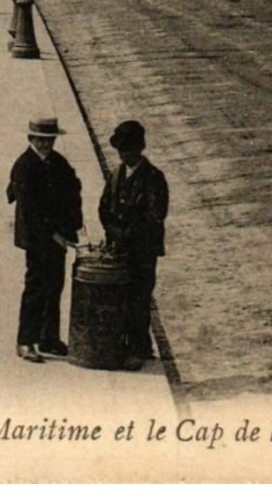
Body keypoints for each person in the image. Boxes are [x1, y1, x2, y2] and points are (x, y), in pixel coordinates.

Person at [6, 116, 82, 363]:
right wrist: (55, 234)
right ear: (31, 139)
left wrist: (73, 227)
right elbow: (30, 210)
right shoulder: (24, 166)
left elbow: (73, 191)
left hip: (58, 237)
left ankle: (48, 337)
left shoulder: (58, 163)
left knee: (55, 285)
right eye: (41, 140)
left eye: (50, 140)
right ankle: (25, 341)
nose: (46, 144)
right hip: (36, 238)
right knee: (36, 287)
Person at [98, 120, 169, 371]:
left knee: (139, 297)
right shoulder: (117, 174)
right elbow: (104, 207)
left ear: (140, 148)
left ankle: (138, 348)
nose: (125, 155)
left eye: (129, 150)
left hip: (142, 251)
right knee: (122, 297)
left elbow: (154, 216)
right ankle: (130, 346)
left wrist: (126, 234)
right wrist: (112, 231)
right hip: (120, 247)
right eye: (121, 151)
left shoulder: (153, 178)